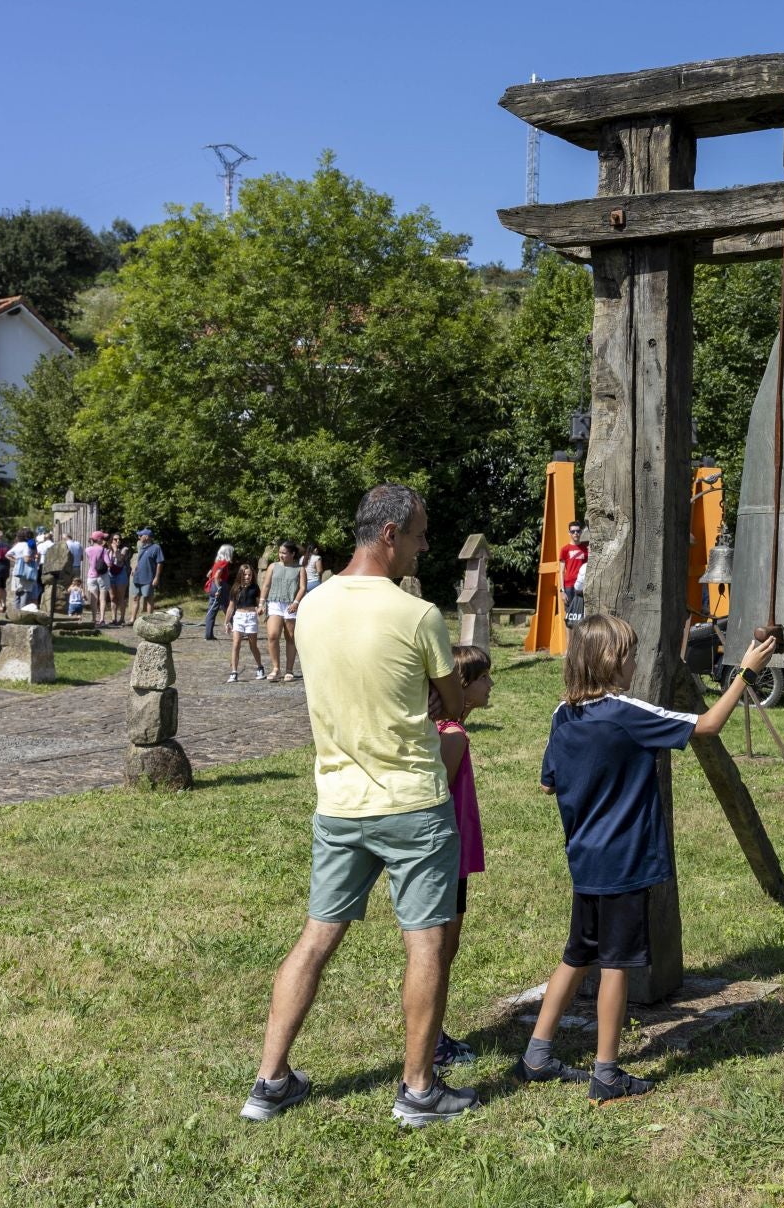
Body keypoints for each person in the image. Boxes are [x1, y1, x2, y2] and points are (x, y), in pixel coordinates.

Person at [240, 482, 475, 1128]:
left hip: (339, 801)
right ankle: (419, 1090)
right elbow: (454, 704)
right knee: (424, 944)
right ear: (390, 535)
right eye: (421, 534)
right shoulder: (415, 615)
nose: (425, 546)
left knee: (316, 938)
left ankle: (269, 1081)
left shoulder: (312, 607)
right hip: (411, 803)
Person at [519, 613, 775, 1104]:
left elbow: (548, 780)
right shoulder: (626, 713)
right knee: (615, 965)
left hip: (585, 859)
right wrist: (744, 671)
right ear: (613, 661)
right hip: (624, 861)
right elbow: (708, 724)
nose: (636, 662)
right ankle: (607, 1072)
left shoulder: (562, 714)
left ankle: (537, 1054)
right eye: (632, 654)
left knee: (578, 954)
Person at [428, 644, 493, 1071]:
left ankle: (434, 1032)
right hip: (446, 855)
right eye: (485, 677)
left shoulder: (448, 728)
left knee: (445, 948)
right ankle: (431, 1042)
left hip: (454, 854)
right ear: (463, 686)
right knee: (439, 949)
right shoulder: (450, 733)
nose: (492, 684)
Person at [260, 541, 307, 683]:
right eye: (280, 552)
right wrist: (261, 603)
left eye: (284, 553)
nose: (281, 555)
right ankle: (276, 668)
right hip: (274, 603)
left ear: (292, 554)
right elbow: (266, 585)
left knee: (290, 637)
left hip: (291, 605)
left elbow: (302, 588)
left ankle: (289, 670)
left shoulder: (300, 569)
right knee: (273, 635)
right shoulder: (273, 566)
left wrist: (296, 603)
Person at [225, 563, 266, 683]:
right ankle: (234, 672)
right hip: (238, 617)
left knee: (253, 645)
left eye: (249, 575)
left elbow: (260, 604)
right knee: (236, 644)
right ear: (240, 575)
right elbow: (231, 607)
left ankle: (260, 667)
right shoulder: (235, 588)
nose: (247, 577)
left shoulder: (255, 588)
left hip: (251, 617)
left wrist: (261, 609)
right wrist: (226, 622)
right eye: (245, 574)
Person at [129, 529, 164, 622]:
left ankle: (150, 619)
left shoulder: (156, 547)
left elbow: (159, 563)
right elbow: (140, 560)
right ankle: (132, 619)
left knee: (149, 598)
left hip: (148, 577)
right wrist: (134, 568)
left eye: (141, 535)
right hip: (137, 577)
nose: (139, 537)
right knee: (135, 598)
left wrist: (156, 577)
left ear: (147, 537)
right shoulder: (141, 547)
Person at [203, 544, 235, 641]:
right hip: (220, 586)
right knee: (228, 608)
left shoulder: (217, 563)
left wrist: (213, 585)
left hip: (213, 586)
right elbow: (217, 576)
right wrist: (218, 587)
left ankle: (208, 634)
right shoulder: (223, 563)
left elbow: (209, 574)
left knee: (211, 611)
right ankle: (239, 631)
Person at [559, 522, 588, 626]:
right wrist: (562, 591)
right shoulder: (565, 549)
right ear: (569, 533)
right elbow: (561, 571)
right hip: (569, 587)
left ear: (581, 532)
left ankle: (581, 642)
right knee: (569, 619)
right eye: (573, 531)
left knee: (582, 617)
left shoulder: (586, 550)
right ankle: (569, 642)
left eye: (578, 531)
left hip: (582, 586)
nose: (576, 533)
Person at [84, 532, 113, 627]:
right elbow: (108, 564)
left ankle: (93, 619)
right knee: (103, 598)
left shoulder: (87, 549)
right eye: (103, 538)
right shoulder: (103, 550)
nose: (104, 540)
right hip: (102, 576)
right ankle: (102, 620)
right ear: (99, 539)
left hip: (91, 576)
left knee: (93, 598)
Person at [107, 533, 131, 625]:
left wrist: (115, 549)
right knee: (112, 597)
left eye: (119, 539)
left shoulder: (124, 549)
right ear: (111, 540)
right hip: (110, 574)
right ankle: (113, 618)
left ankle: (122, 619)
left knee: (121, 597)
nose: (118, 541)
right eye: (115, 539)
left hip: (121, 574)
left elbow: (120, 559)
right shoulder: (108, 550)